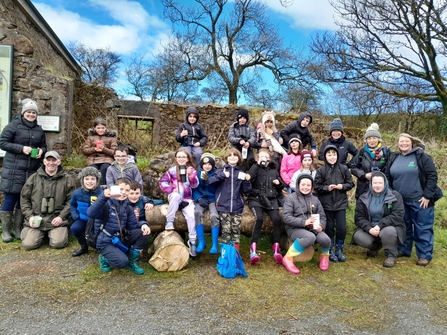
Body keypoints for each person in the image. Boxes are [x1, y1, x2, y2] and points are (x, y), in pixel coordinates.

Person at [386, 133, 443, 266]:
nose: (404, 143)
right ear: (398, 143)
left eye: (406, 141)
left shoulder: (422, 156)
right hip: (400, 200)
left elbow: (432, 176)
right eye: (401, 141)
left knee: (422, 227)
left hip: (420, 200)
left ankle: (424, 255)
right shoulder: (394, 157)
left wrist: (428, 195)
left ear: (412, 143)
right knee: (403, 226)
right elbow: (388, 177)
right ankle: (404, 249)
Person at [0, 98, 47, 242]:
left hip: (31, 171)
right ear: (23, 113)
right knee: (10, 199)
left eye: (34, 112)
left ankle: (17, 229)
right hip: (13, 170)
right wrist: (21, 149)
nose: (31, 114)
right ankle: (6, 231)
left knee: (23, 200)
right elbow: (2, 142)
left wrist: (41, 151)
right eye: (29, 112)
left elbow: (45, 146)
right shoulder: (13, 125)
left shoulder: (39, 129)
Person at [87, 178, 150, 275]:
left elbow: (133, 226)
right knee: (122, 262)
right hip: (105, 241)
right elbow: (91, 213)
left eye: (127, 190)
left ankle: (132, 262)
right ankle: (104, 258)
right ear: (114, 189)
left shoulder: (128, 207)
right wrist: (103, 197)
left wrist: (143, 224)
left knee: (143, 233)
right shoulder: (105, 203)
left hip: (120, 238)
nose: (124, 192)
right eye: (121, 189)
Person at [20, 151, 75, 250]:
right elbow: (24, 199)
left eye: (54, 160)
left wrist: (61, 217)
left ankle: (53, 233)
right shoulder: (33, 178)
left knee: (58, 244)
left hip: (56, 220)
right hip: (37, 219)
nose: (51, 163)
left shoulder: (67, 179)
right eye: (48, 160)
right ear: (44, 161)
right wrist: (30, 217)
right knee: (28, 245)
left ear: (59, 162)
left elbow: (72, 200)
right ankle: (33, 233)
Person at [352, 172, 405, 268]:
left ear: (385, 183)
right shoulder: (363, 197)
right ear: (370, 184)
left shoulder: (395, 196)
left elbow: (397, 215)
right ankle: (376, 246)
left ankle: (391, 255)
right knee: (358, 236)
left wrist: (380, 225)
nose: (377, 185)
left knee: (388, 232)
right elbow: (359, 218)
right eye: (375, 183)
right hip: (371, 228)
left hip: (388, 227)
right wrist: (369, 228)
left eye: (380, 183)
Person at [282, 174, 331, 274]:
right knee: (310, 237)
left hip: (313, 228)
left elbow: (322, 216)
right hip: (295, 229)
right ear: (298, 185)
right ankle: (288, 258)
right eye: (303, 184)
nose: (306, 187)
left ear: (311, 187)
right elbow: (286, 217)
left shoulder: (315, 200)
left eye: (308, 185)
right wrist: (304, 222)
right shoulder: (291, 199)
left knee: (326, 239)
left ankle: (325, 256)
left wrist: (321, 226)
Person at [314, 145, 354, 262]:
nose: (332, 157)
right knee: (330, 228)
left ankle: (339, 248)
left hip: (340, 203)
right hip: (326, 204)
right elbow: (317, 187)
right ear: (325, 157)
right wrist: (327, 188)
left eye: (334, 154)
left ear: (337, 155)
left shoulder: (343, 168)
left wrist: (342, 186)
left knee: (341, 228)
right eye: (329, 155)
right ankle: (329, 249)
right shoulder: (321, 170)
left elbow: (351, 184)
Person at [208, 148, 252, 251]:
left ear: (239, 158)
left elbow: (246, 190)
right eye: (230, 155)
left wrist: (247, 180)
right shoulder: (220, 171)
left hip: (237, 206)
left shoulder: (241, 173)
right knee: (226, 231)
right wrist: (222, 175)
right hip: (223, 206)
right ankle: (226, 253)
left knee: (236, 230)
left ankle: (236, 253)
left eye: (235, 155)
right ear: (226, 158)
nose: (232, 157)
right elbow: (210, 181)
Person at [246, 149, 285, 265]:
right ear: (258, 158)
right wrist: (256, 165)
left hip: (271, 199)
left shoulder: (274, 170)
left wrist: (278, 183)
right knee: (259, 218)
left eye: (266, 157)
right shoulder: (254, 168)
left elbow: (281, 185)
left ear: (270, 159)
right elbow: (249, 178)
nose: (264, 159)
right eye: (261, 157)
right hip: (256, 199)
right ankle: (253, 248)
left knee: (277, 220)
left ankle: (276, 247)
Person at [159, 149, 199, 256]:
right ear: (176, 159)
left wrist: (191, 177)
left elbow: (195, 185)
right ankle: (169, 221)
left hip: (187, 199)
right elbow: (163, 183)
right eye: (179, 157)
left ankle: (192, 241)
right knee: (176, 196)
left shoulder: (191, 170)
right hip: (174, 197)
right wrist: (171, 189)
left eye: (184, 157)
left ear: (187, 159)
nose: (181, 159)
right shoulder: (171, 170)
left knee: (191, 216)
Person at [69, 167, 103, 257]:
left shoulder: (102, 194)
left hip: (97, 220)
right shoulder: (77, 193)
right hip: (82, 218)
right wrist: (75, 216)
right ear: (82, 180)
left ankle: (101, 246)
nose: (89, 181)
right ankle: (83, 245)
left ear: (97, 180)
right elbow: (72, 205)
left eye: (92, 179)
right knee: (75, 228)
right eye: (87, 179)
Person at [350, 123, 389, 199]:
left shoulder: (385, 152)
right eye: (369, 138)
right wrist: (364, 175)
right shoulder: (362, 152)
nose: (372, 141)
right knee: (362, 210)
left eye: (374, 138)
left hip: (380, 188)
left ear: (379, 139)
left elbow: (389, 169)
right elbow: (353, 167)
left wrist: (380, 176)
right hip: (363, 189)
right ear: (366, 140)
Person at [192, 153, 220, 254]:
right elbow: (194, 188)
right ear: (201, 165)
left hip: (213, 199)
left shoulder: (217, 173)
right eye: (205, 164)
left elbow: (219, 188)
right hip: (201, 199)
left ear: (213, 165)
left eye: (209, 164)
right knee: (197, 213)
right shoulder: (197, 173)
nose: (207, 166)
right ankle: (201, 242)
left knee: (214, 216)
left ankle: (214, 244)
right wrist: (199, 199)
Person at [81, 117, 117, 185]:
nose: (101, 130)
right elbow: (84, 151)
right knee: (92, 170)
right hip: (93, 159)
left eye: (103, 128)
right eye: (98, 128)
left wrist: (104, 149)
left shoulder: (111, 138)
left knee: (105, 168)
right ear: (94, 128)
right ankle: (93, 187)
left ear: (106, 128)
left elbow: (114, 152)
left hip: (107, 159)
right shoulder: (90, 138)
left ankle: (104, 187)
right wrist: (94, 149)